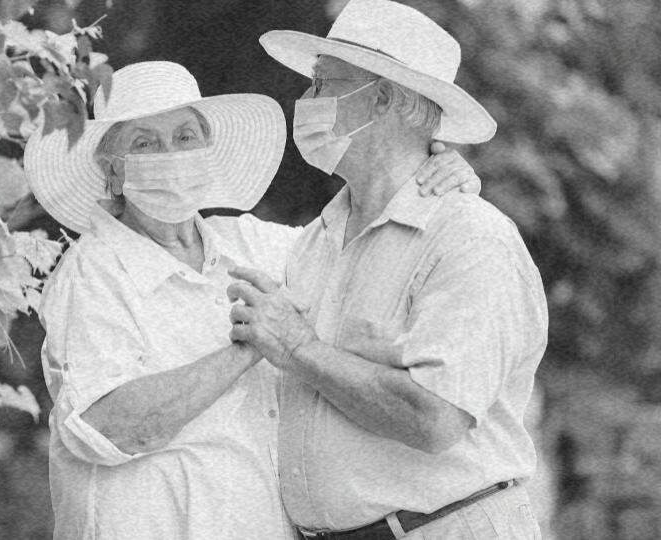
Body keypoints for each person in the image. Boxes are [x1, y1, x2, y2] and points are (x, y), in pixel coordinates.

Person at [25, 61, 481, 539]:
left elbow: (365, 253)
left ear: (207, 150)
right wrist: (250, 348)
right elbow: (113, 426)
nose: (170, 153)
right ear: (111, 170)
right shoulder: (91, 272)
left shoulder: (253, 244)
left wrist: (428, 180)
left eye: (185, 137)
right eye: (144, 143)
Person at [227, 1, 548, 539]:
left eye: (324, 83)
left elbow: (434, 416)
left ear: (382, 100)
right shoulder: (314, 241)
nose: (305, 102)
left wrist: (299, 350)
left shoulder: (471, 237)